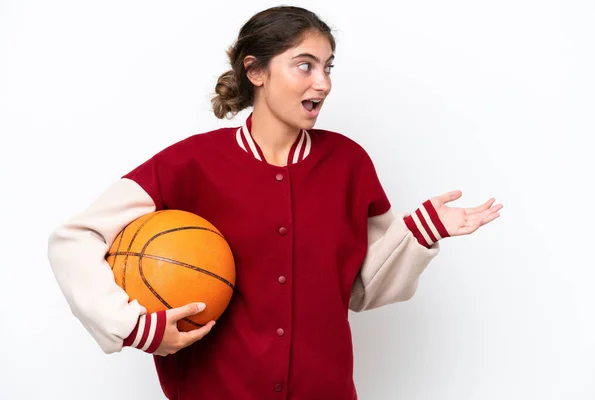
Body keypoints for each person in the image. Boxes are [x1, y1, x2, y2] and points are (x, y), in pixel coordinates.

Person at [47, 5, 502, 400]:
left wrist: (420, 231)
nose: (322, 83)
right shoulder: (190, 163)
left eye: (328, 67)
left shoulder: (349, 163)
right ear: (256, 71)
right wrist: (131, 325)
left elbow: (363, 288)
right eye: (305, 65)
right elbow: (74, 239)